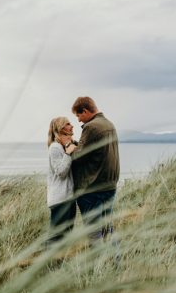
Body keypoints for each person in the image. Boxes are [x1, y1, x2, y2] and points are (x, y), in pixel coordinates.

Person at [70, 96, 120, 244]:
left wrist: (69, 147)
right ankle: (115, 259)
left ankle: (97, 260)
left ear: (85, 111)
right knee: (108, 229)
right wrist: (76, 144)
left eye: (78, 115)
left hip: (92, 188)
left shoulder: (91, 127)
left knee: (94, 233)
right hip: (109, 186)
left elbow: (78, 156)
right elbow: (94, 150)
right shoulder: (109, 124)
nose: (79, 120)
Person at [46, 116, 77, 244]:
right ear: (61, 128)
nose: (72, 126)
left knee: (66, 236)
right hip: (60, 200)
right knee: (56, 237)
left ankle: (60, 257)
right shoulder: (55, 147)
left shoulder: (63, 146)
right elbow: (61, 172)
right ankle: (48, 257)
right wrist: (68, 153)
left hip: (68, 199)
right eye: (68, 124)